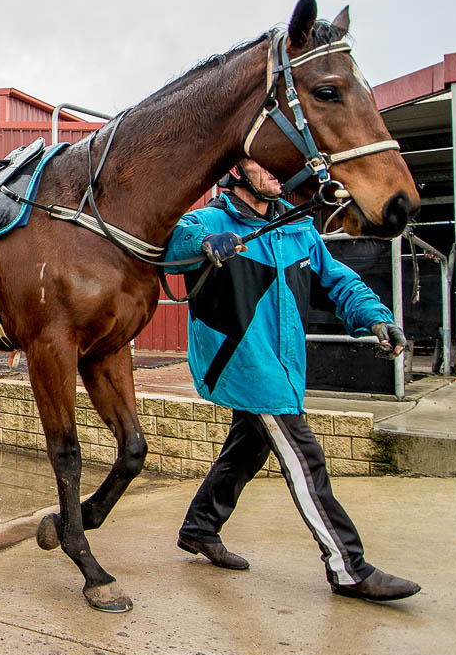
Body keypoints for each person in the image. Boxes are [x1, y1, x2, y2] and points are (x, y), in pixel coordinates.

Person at [163, 158, 420, 602]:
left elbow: (337, 280)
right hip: (244, 362)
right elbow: (172, 243)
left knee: (247, 449)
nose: (278, 172)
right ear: (236, 172)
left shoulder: (297, 228)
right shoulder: (210, 220)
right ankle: (348, 567)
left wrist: (376, 318)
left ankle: (200, 527)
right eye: (265, 165)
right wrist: (206, 243)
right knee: (307, 461)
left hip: (283, 364)